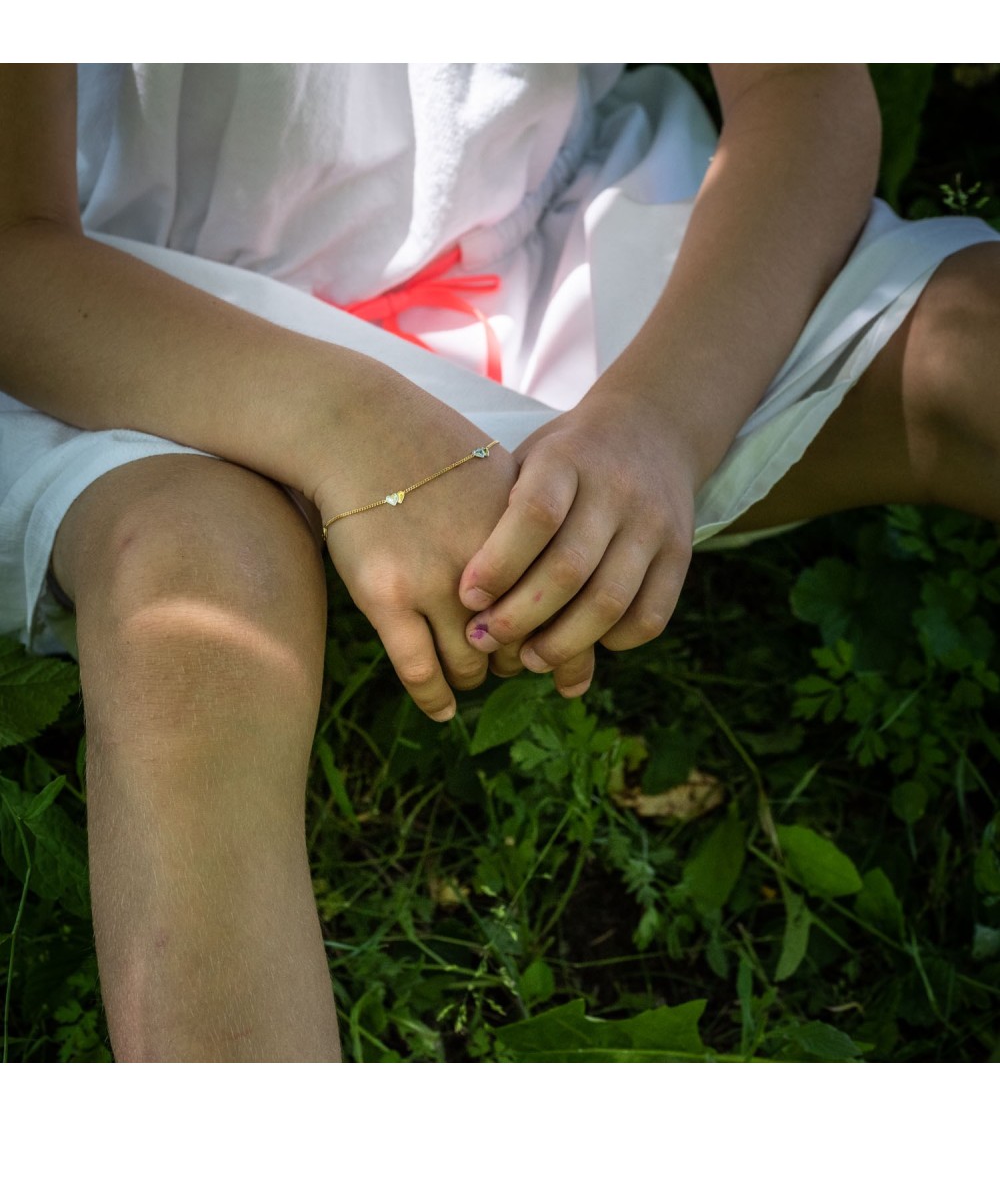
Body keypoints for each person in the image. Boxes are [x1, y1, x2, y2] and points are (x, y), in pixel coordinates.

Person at [1, 63, 998, 1062]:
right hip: (126, 317)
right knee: (197, 604)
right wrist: (350, 425)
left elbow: (802, 91)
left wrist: (661, 418)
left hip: (550, 243)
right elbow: (16, 248)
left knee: (972, 352)